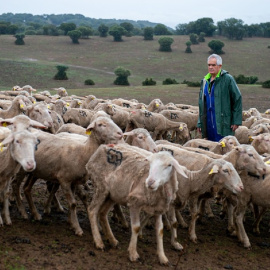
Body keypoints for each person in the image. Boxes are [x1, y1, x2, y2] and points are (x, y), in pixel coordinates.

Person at [197, 54, 242, 141]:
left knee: (224, 147)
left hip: (223, 122)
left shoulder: (227, 79)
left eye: (213, 65)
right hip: (208, 122)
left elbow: (237, 99)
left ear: (220, 66)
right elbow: (201, 105)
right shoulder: (205, 81)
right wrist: (200, 122)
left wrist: (236, 121)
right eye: (209, 65)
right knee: (210, 147)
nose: (210, 67)